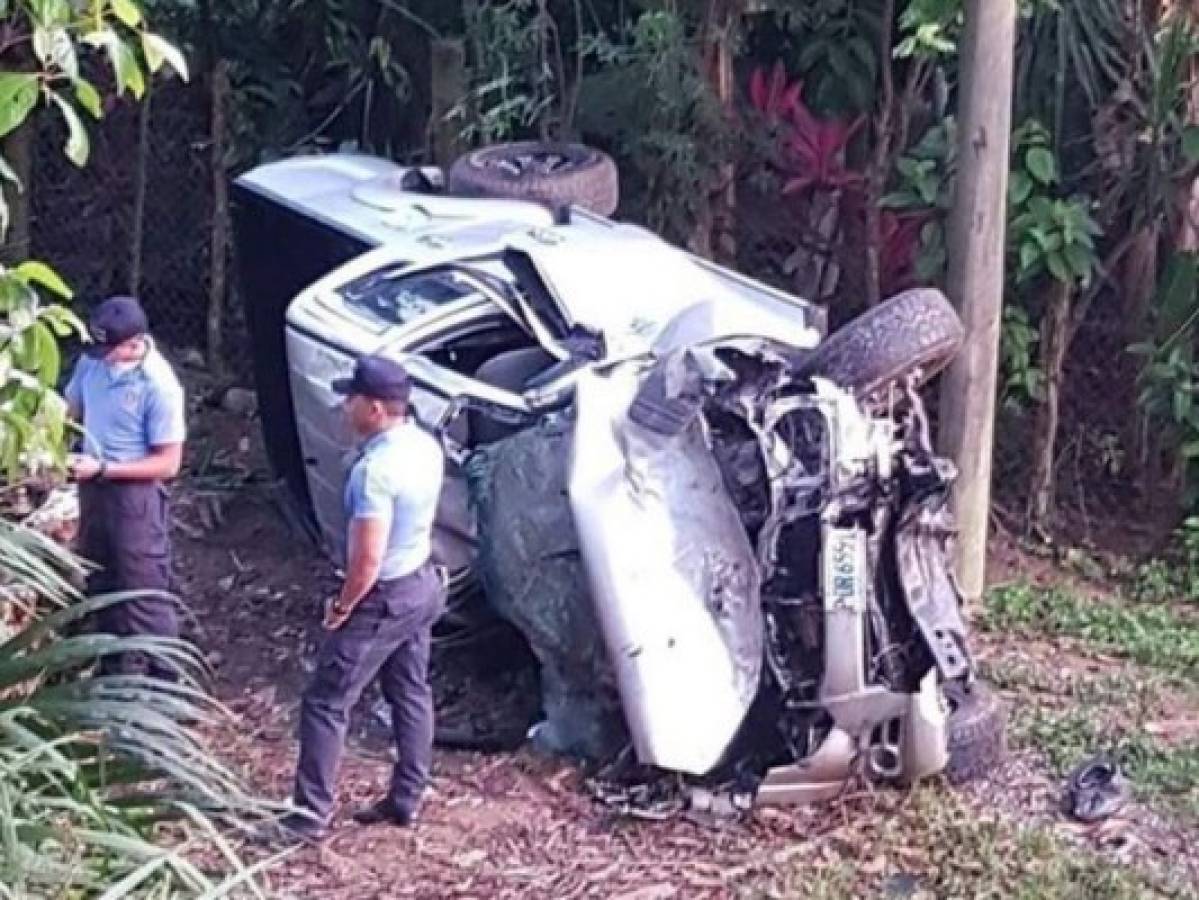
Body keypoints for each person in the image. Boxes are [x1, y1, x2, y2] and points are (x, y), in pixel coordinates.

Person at [282, 353, 446, 843]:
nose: (343, 407)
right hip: (424, 583)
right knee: (410, 690)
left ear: (375, 409)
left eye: (350, 399)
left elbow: (367, 561)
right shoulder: (425, 445)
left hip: (384, 596)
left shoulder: (375, 472)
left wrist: (343, 606)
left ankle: (309, 817)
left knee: (326, 701)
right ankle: (407, 797)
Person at [65, 295, 186, 680]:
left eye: (110, 349)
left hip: (135, 495)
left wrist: (104, 468)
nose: (101, 357)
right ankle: (111, 669)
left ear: (134, 343)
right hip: (91, 485)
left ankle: (167, 683)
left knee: (142, 590)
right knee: (100, 576)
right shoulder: (92, 362)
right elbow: (70, 410)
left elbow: (168, 463)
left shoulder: (158, 385)